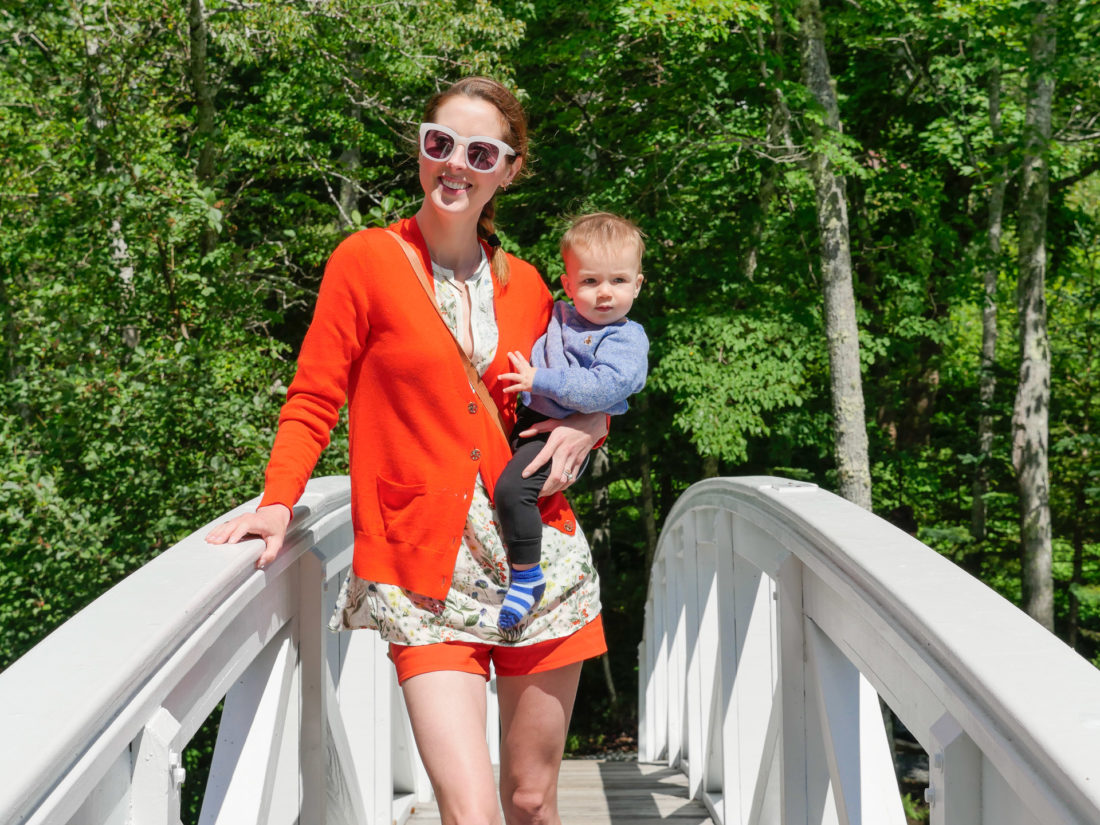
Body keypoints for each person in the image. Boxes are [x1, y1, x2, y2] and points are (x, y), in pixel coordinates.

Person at [205, 76, 608, 825]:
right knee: (471, 812)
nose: (454, 164)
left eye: (479, 152)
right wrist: (277, 501)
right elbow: (314, 396)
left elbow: (581, 390)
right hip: (424, 577)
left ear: (509, 170)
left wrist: (593, 426)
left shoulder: (526, 287)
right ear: (422, 148)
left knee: (532, 801)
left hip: (538, 561)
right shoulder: (367, 260)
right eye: (439, 143)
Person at [494, 213, 648, 632]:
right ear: (567, 285)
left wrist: (537, 379)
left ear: (637, 284)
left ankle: (528, 576)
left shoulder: (624, 337)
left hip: (557, 434)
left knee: (513, 489)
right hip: (529, 419)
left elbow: (608, 387)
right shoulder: (561, 313)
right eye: (590, 282)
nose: (604, 294)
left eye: (618, 281)